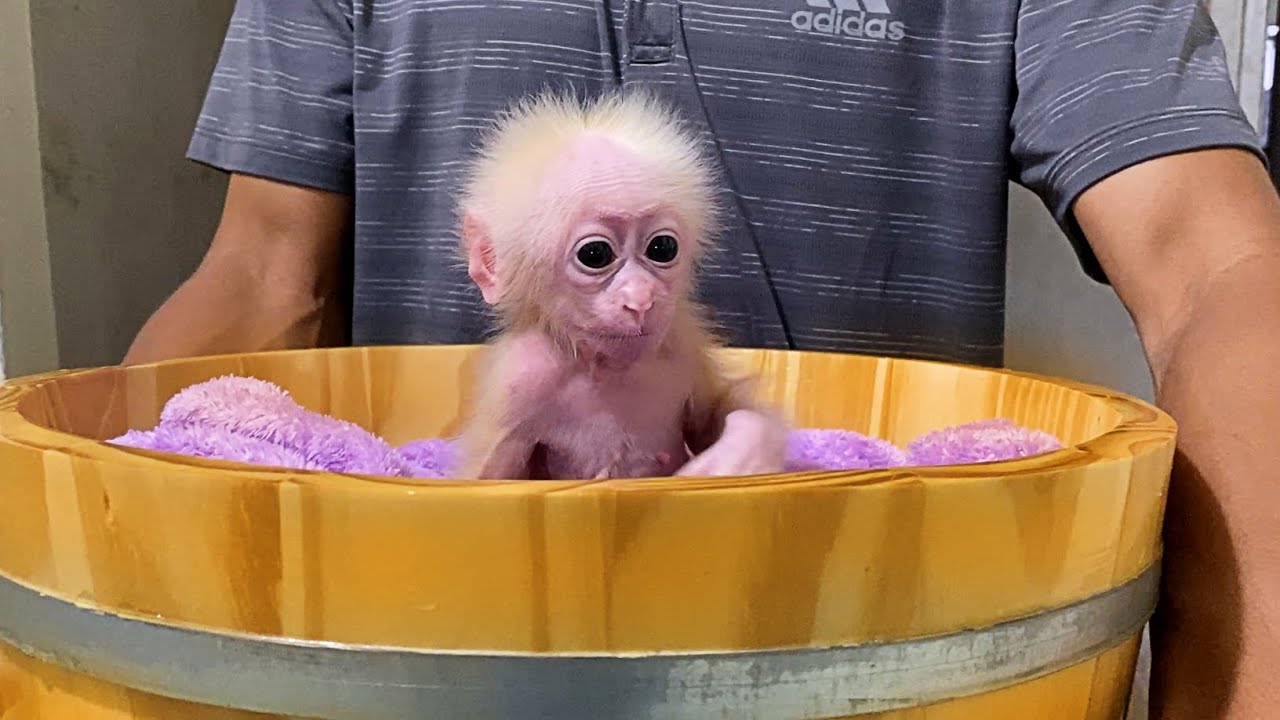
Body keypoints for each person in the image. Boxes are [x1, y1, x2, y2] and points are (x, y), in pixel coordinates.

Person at [125, 1, 1279, 717]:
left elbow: (1220, 267)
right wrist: (98, 587)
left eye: (657, 252)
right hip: (435, 655)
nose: (633, 294)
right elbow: (267, 280)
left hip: (866, 647)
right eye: (595, 256)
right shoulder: (523, 383)